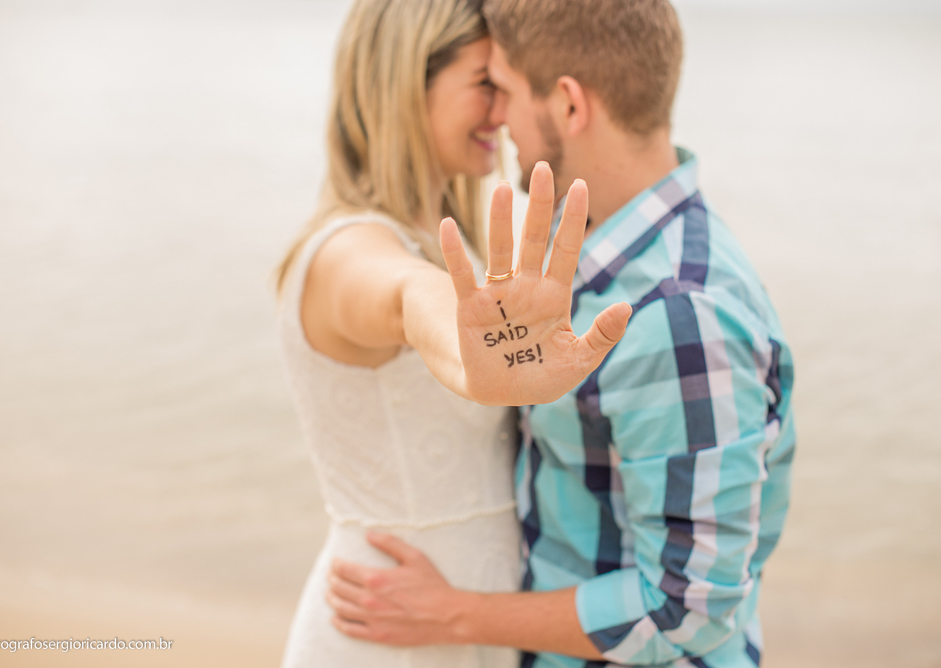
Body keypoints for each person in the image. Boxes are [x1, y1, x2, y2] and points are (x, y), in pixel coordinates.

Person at [326, 1, 796, 667]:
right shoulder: (614, 266)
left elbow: (688, 612)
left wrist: (455, 614)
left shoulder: (676, 310)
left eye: (507, 91)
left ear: (570, 106)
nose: (501, 119)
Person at [274, 0, 631, 666]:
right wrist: (477, 361)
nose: (503, 112)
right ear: (408, 81)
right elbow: (413, 300)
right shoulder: (345, 251)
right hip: (382, 632)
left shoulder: (451, 244)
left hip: (467, 631)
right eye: (483, 84)